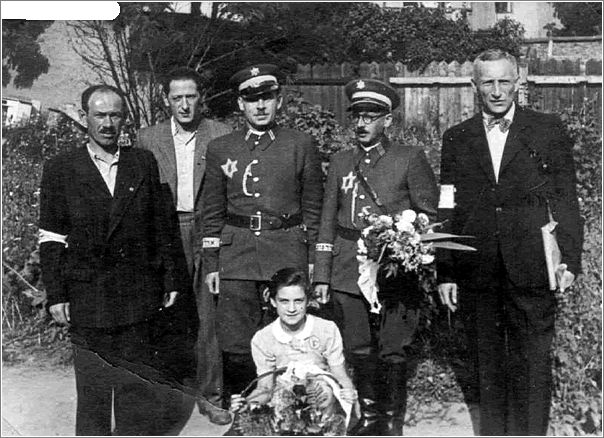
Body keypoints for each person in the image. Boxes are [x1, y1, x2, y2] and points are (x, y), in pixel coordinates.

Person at [437, 49, 583, 436]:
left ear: (519, 82)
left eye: (505, 81)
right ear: (474, 86)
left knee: (533, 362)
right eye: (488, 82)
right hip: (478, 269)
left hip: (533, 265)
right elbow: (447, 207)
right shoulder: (456, 138)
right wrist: (446, 270)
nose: (497, 91)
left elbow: (566, 200)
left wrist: (569, 259)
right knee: (487, 362)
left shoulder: (547, 130)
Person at [39, 85, 183, 435]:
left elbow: (160, 226)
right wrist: (57, 294)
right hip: (89, 296)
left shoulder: (141, 162)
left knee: (135, 389)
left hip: (137, 294)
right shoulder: (62, 168)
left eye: (115, 115)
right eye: (99, 115)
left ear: (124, 119)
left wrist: (170, 280)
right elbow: (52, 237)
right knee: (93, 392)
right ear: (85, 117)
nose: (107, 123)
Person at [313, 78, 439, 435]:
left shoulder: (408, 158)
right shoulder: (340, 162)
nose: (362, 123)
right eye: (357, 116)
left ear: (387, 120)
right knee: (357, 346)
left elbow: (428, 216)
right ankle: (368, 419)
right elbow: (327, 220)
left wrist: (410, 244)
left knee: (393, 348)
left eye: (371, 116)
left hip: (394, 267)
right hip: (347, 267)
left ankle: (390, 422)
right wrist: (322, 274)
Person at [200, 63, 324, 403]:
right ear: (240, 105)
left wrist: (313, 259)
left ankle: (289, 414)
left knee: (288, 337)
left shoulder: (300, 145)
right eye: (251, 99)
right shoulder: (221, 148)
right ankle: (246, 414)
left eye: (267, 97)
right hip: (236, 254)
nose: (260, 106)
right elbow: (212, 210)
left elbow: (312, 208)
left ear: (278, 101)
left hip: (285, 251)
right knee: (237, 342)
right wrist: (213, 262)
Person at [137, 67, 232, 425]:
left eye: (190, 96)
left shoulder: (221, 134)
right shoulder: (148, 137)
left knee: (210, 316)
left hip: (208, 228)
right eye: (177, 98)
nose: (185, 104)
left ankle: (212, 397)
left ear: (200, 97)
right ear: (167, 100)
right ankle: (168, 395)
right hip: (166, 230)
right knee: (167, 316)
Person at [229, 268, 357, 420]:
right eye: (284, 301)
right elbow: (265, 387)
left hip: (322, 394)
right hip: (283, 396)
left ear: (308, 301)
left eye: (298, 301)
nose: (291, 309)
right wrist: (248, 403)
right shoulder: (262, 338)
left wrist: (349, 391)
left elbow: (340, 374)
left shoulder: (327, 329)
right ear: (272, 302)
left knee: (324, 394)